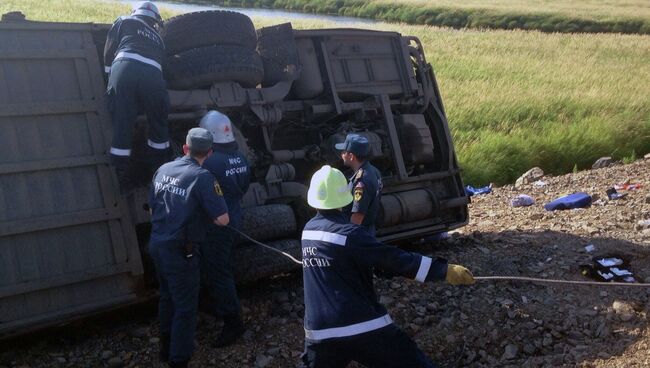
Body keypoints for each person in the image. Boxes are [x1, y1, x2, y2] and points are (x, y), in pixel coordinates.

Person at [300, 165, 475, 368]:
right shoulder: (349, 234)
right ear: (343, 197)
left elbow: (346, 264)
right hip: (362, 326)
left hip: (320, 333)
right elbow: (392, 259)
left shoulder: (308, 232)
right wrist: (443, 271)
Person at [148, 128, 230, 368]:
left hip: (157, 244)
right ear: (210, 152)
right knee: (185, 306)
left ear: (185, 148)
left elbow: (153, 208)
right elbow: (223, 219)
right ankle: (179, 359)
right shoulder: (203, 177)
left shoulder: (163, 169)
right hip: (180, 250)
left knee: (167, 297)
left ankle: (165, 349)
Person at [104, 1, 170, 190]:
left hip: (125, 67)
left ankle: (121, 174)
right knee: (158, 122)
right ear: (155, 21)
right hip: (153, 75)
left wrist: (108, 77)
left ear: (136, 13)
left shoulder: (124, 21)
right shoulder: (159, 38)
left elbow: (109, 51)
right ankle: (159, 169)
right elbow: (162, 67)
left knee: (123, 120)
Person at [199, 110, 251, 347]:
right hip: (234, 218)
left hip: (216, 225)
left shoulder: (209, 162)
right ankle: (216, 305)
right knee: (221, 266)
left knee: (218, 272)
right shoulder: (240, 158)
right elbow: (244, 186)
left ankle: (233, 323)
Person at [335, 133, 383, 236]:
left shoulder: (361, 181)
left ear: (351, 156)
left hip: (360, 235)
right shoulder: (374, 171)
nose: (342, 155)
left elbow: (357, 217)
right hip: (368, 231)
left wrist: (345, 238)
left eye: (344, 152)